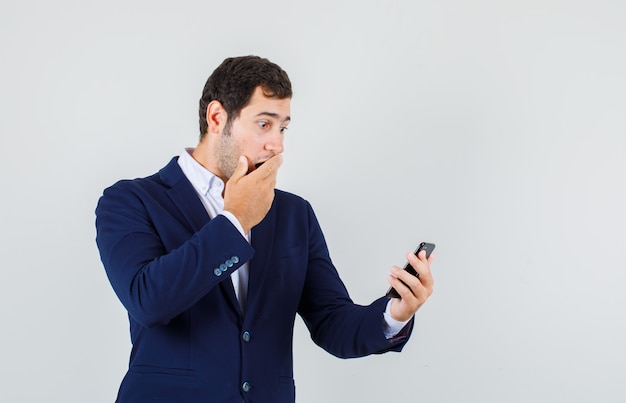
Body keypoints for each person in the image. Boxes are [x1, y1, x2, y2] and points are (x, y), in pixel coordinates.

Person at [95, 55, 434, 402]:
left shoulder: (294, 214)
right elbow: (148, 301)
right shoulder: (130, 201)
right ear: (217, 118)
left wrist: (396, 313)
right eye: (263, 124)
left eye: (283, 127)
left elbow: (332, 323)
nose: (278, 144)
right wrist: (236, 219)